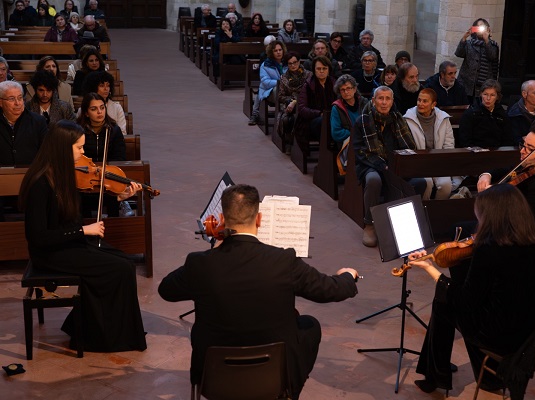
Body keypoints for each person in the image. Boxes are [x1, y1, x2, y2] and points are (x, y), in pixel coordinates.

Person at [158, 184, 359, 400]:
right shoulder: (283, 261)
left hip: (213, 378)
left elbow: (166, 290)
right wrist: (348, 276)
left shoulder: (199, 264)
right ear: (259, 219)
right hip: (273, 376)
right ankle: (289, 392)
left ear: (223, 219)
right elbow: (329, 290)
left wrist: (214, 249)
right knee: (310, 325)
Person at [407, 183, 535, 395]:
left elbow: (465, 302)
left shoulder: (489, 249)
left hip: (505, 339)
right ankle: (488, 377)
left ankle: (435, 377)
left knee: (444, 304)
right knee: (478, 303)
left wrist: (430, 268)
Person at [18, 120, 147, 353]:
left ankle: (117, 329)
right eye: (79, 147)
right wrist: (82, 231)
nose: (83, 152)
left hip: (68, 244)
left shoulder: (62, 172)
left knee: (125, 263)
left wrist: (115, 198)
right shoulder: (40, 183)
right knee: (116, 269)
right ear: (62, 148)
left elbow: (77, 203)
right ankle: (95, 335)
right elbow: (37, 237)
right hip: (50, 253)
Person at [352, 86, 425, 247]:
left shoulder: (398, 120)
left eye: (387, 99)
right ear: (373, 101)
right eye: (380, 98)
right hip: (370, 164)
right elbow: (360, 152)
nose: (384, 102)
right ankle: (369, 224)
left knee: (420, 182)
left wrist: (395, 166)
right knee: (373, 180)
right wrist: (382, 166)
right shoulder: (362, 121)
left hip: (394, 165)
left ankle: (396, 222)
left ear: (392, 101)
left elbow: (408, 147)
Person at [477, 126, 535, 236]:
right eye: (523, 145)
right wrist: (486, 175)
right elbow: (506, 171)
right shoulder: (528, 165)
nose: (522, 151)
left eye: (529, 149)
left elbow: (521, 219)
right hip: (504, 227)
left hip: (523, 237)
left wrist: (497, 194)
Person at [76, 92, 127, 217]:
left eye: (102, 107)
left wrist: (105, 171)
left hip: (107, 176)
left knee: (112, 193)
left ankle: (113, 227)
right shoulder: (78, 130)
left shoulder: (114, 130)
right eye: (94, 109)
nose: (99, 112)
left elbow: (120, 158)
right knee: (80, 196)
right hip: (85, 176)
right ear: (86, 113)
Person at [404, 88, 455, 199]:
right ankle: (424, 211)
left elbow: (449, 145)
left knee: (446, 185)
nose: (420, 104)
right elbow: (407, 146)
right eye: (419, 100)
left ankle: (438, 211)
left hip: (438, 162)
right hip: (418, 164)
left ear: (433, 104)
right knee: (426, 183)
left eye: (425, 101)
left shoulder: (443, 118)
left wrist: (441, 163)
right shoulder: (408, 119)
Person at [295, 56, 336, 155]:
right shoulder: (308, 85)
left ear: (328, 69)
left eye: (324, 68)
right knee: (322, 122)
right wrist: (319, 113)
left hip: (332, 117)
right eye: (318, 69)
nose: (321, 71)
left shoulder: (334, 83)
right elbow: (302, 108)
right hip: (311, 121)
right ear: (314, 70)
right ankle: (327, 153)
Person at [0, 81, 48, 166]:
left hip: (31, 175)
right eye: (11, 99)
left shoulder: (38, 122)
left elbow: (46, 154)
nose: (17, 103)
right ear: (1, 102)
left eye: (20, 98)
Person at [459, 79, 513, 148]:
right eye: (485, 94)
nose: (488, 98)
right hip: (475, 154)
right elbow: (465, 141)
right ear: (481, 94)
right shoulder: (470, 114)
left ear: (497, 97)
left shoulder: (502, 115)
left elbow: (508, 140)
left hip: (497, 154)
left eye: (492, 95)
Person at [455, 18, 499, 101]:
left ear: (487, 29)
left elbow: (492, 57)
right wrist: (464, 38)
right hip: (466, 82)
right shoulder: (469, 43)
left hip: (483, 83)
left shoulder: (492, 45)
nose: (480, 29)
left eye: (482, 27)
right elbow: (459, 54)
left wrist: (487, 40)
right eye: (477, 27)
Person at [276, 51, 311, 152]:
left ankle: (302, 145)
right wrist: (290, 101)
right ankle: (289, 143)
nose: (293, 65)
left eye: (295, 62)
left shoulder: (308, 75)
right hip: (289, 105)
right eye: (290, 63)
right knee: (287, 119)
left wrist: (295, 101)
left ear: (299, 62)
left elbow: (309, 93)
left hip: (305, 104)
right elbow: (281, 96)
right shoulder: (284, 77)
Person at [248, 40, 286, 126]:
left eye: (280, 50)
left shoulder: (287, 63)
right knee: (278, 89)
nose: (278, 52)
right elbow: (265, 82)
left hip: (285, 90)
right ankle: (283, 114)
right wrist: (279, 82)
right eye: (275, 51)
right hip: (269, 91)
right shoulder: (266, 65)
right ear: (271, 52)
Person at [331, 74, 368, 146]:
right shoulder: (336, 108)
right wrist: (354, 133)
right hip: (347, 142)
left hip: (365, 139)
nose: (346, 92)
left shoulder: (364, 103)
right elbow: (336, 133)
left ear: (354, 89)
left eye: (348, 88)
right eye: (342, 90)